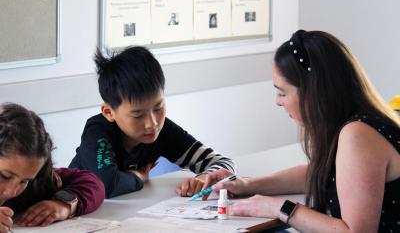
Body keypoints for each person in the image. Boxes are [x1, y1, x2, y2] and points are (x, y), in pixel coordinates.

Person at [202, 30, 400, 232]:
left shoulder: (358, 135)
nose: (278, 102)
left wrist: (279, 207)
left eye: (282, 92)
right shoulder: (356, 124)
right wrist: (247, 185)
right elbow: (323, 174)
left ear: (312, 92)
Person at [68, 46, 236, 198]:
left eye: (158, 108)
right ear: (109, 112)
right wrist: (138, 177)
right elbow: (107, 185)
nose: (152, 123)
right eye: (138, 115)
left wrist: (203, 177)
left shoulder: (161, 131)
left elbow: (223, 164)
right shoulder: (98, 130)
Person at [0, 103, 105, 233]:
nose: (10, 192)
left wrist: (64, 204)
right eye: (5, 176)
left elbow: (92, 183)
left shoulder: (36, 183)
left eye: (24, 181)